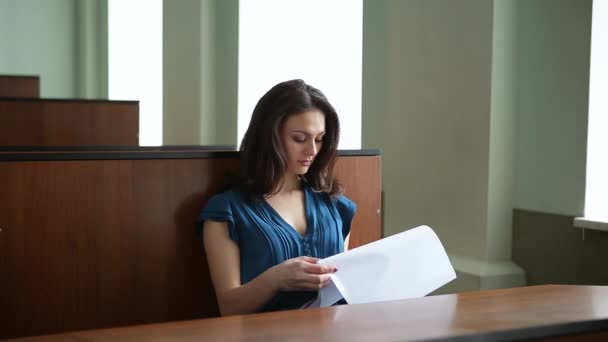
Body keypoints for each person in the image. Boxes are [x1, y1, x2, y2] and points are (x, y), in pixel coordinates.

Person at [196, 79, 356, 316]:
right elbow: (229, 307)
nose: (312, 150)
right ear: (269, 136)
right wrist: (275, 279)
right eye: (300, 139)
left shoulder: (336, 206)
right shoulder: (226, 211)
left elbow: (343, 290)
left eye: (319, 139)